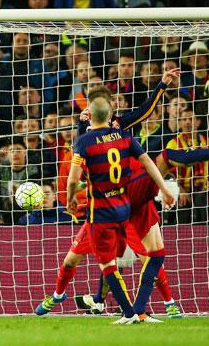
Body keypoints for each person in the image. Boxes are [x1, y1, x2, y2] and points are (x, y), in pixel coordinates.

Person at [63, 91, 176, 324]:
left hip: (101, 209)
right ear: (110, 112)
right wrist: (163, 188)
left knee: (108, 263)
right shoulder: (123, 135)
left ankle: (131, 311)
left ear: (90, 113)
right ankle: (134, 307)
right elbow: (147, 161)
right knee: (152, 254)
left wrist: (70, 197)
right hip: (125, 205)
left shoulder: (85, 140)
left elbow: (75, 177)